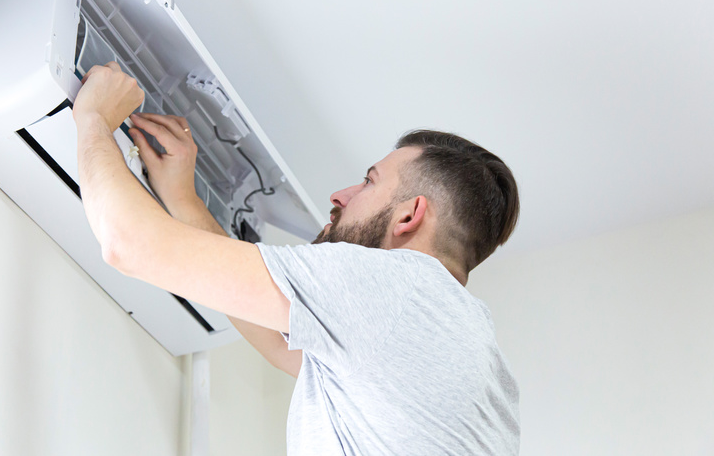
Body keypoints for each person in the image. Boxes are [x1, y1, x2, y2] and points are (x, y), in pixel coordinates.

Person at [73, 62, 521, 455]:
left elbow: (126, 242)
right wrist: (182, 198)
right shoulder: (460, 350)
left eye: (368, 182)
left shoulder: (397, 287)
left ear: (409, 215)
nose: (340, 196)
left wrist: (93, 117)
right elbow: (277, 340)